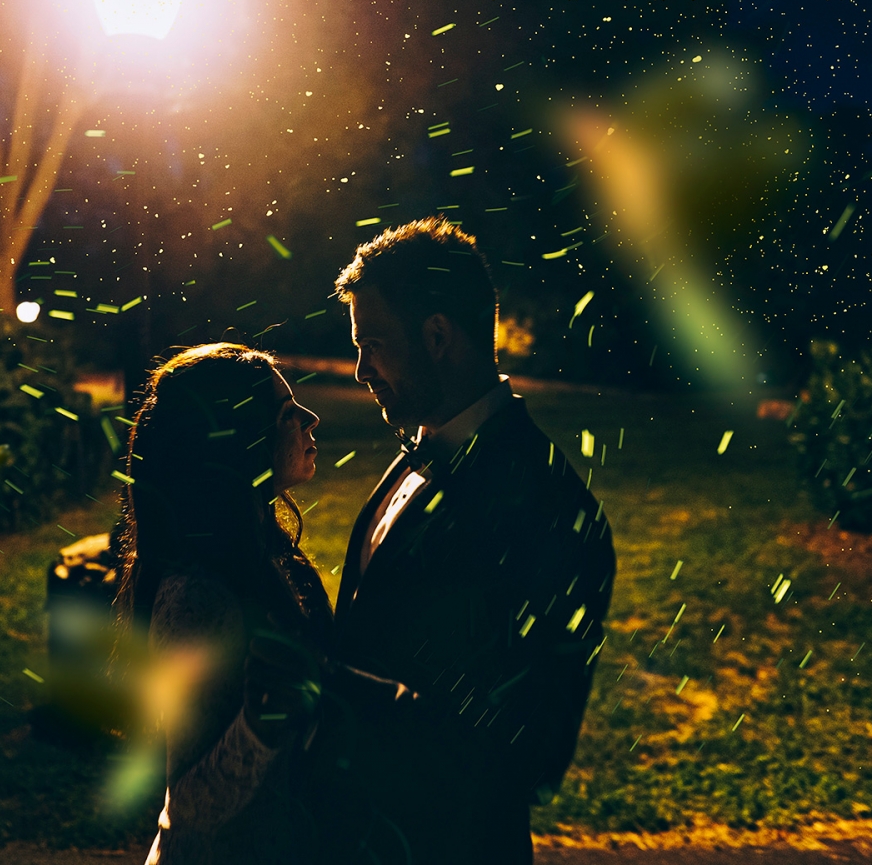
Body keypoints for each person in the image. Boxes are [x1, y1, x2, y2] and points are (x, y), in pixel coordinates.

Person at [309, 218, 617, 865]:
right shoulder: (415, 451)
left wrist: (321, 688)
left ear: (439, 336)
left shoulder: (551, 507)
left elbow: (526, 744)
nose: (361, 370)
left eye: (374, 344)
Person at [111, 343, 333, 865]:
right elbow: (187, 802)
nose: (311, 419)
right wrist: (261, 724)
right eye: (287, 414)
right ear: (241, 444)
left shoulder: (262, 551)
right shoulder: (198, 597)